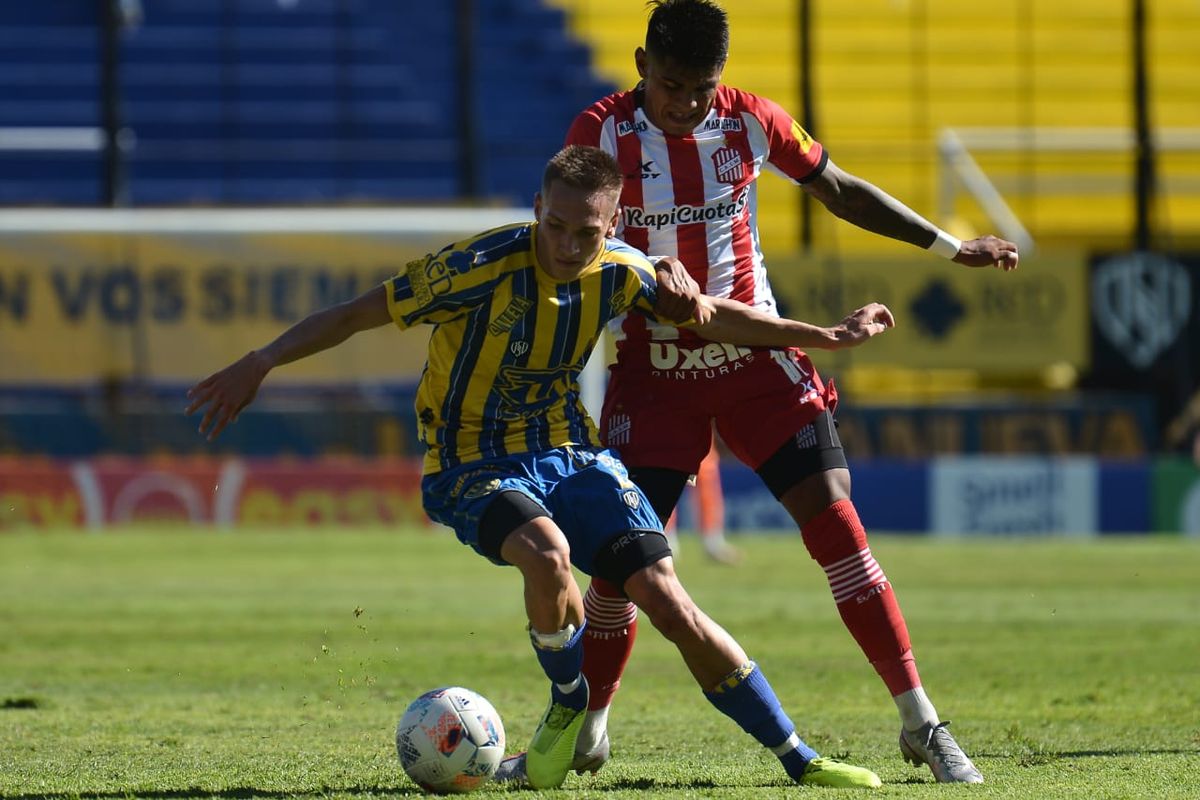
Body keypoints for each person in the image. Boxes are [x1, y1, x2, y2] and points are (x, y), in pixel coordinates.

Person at [186, 145, 897, 789]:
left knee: (668, 599)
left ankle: (800, 759)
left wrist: (826, 336)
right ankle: (568, 701)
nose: (566, 244)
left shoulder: (622, 270)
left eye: (585, 232)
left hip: (571, 453)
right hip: (469, 460)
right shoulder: (474, 266)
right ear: (537, 208)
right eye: (554, 225)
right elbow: (354, 314)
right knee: (548, 553)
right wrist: (262, 360)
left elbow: (714, 316)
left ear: (611, 224)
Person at [500, 0, 1021, 786]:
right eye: (672, 85)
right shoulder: (600, 132)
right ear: (642, 66)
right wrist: (639, 268)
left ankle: (922, 723)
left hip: (757, 360)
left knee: (837, 524)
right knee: (620, 563)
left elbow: (838, 188)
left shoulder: (752, 122)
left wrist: (950, 247)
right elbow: (576, 232)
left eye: (702, 88)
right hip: (654, 371)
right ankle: (592, 729)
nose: (687, 103)